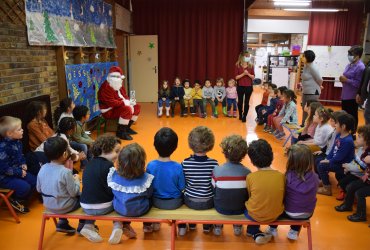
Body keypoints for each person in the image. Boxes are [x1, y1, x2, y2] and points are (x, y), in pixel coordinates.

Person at [80, 135, 136, 244]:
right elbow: (114, 189)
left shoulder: (88, 165)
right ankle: (118, 225)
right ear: (105, 150)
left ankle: (88, 225)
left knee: (94, 195)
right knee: (119, 199)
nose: (119, 154)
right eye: (116, 151)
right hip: (104, 207)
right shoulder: (109, 167)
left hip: (85, 205)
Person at [266, 144, 319, 241]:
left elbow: (281, 195)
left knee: (277, 205)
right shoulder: (315, 177)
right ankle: (294, 231)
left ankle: (272, 228)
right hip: (307, 213)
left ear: (291, 161)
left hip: (289, 212)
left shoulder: (288, 176)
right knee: (300, 204)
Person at [36, 137, 83, 234]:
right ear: (65, 154)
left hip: (49, 205)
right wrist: (77, 180)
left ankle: (62, 223)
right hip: (64, 207)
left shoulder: (43, 168)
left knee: (60, 194)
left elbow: (38, 189)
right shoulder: (65, 172)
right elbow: (74, 193)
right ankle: (82, 226)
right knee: (85, 197)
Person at [179, 126, 218, 236]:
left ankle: (190, 224)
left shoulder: (185, 163)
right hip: (209, 202)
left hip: (190, 201)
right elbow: (214, 185)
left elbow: (184, 185)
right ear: (210, 144)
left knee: (181, 193)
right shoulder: (214, 164)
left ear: (191, 144)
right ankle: (206, 226)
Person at [245, 139, 285, 244]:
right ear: (271, 156)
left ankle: (252, 231)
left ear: (252, 161)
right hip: (276, 214)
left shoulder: (250, 177)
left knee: (249, 207)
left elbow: (250, 196)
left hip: (254, 215)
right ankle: (272, 228)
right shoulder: (281, 176)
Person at [146, 128, 185, 232]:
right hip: (175, 203)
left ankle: (150, 224)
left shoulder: (150, 165)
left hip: (156, 201)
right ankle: (182, 227)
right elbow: (182, 187)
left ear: (155, 145)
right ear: (175, 147)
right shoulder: (178, 167)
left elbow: (148, 186)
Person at [107, 143, 154, 231]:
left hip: (119, 208)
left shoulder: (114, 176)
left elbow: (113, 192)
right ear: (141, 162)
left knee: (123, 199)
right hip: (140, 210)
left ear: (120, 161)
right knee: (151, 199)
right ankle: (147, 225)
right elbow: (149, 194)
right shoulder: (146, 179)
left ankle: (124, 224)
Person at [212, 135, 250, 236]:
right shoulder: (247, 172)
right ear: (243, 155)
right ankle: (237, 226)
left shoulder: (217, 170)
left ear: (225, 153)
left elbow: (213, 189)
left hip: (221, 208)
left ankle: (218, 226)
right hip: (240, 208)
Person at [0, 116, 36, 213]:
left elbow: (21, 156)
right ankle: (15, 201)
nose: (22, 130)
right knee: (25, 187)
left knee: (35, 181)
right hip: (4, 177)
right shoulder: (3, 148)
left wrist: (23, 163)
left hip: (17, 172)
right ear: (9, 133)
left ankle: (21, 199)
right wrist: (18, 172)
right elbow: (3, 168)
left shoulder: (18, 142)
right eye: (19, 129)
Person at [335, 126, 370, 222]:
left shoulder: (368, 153)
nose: (356, 138)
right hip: (366, 179)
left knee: (359, 193)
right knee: (351, 186)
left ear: (366, 139)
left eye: (359, 137)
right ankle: (347, 205)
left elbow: (362, 167)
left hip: (365, 179)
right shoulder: (363, 150)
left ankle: (361, 215)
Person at [316, 113, 355, 196]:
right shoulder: (338, 135)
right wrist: (327, 158)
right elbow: (333, 149)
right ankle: (323, 181)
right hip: (336, 161)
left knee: (321, 165)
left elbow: (340, 157)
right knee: (319, 161)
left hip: (343, 166)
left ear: (343, 126)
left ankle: (327, 188)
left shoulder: (348, 141)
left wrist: (328, 161)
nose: (335, 125)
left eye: (337, 123)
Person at [98, 66, 140, 141]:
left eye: (119, 78)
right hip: (109, 110)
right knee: (127, 109)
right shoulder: (106, 87)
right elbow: (111, 103)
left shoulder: (119, 85)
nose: (119, 80)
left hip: (118, 106)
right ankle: (120, 132)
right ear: (110, 77)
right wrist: (125, 103)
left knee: (137, 106)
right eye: (116, 78)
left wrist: (130, 102)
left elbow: (125, 96)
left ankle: (127, 128)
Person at [339, 45, 365, 131]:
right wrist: (343, 80)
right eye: (349, 54)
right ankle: (345, 130)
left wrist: (346, 80)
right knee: (345, 115)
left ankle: (353, 132)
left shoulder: (361, 67)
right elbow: (346, 77)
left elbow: (359, 83)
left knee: (352, 116)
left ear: (358, 56)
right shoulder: (349, 64)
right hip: (345, 94)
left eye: (351, 54)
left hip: (352, 96)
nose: (349, 56)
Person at [300, 50, 323, 125]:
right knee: (305, 109)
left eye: (303, 56)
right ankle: (304, 125)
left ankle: (309, 128)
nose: (302, 57)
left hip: (313, 92)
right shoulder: (306, 66)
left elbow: (320, 79)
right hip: (306, 91)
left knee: (311, 111)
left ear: (308, 57)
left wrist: (319, 85)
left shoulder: (313, 67)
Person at [235, 51, 255, 122]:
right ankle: (240, 114)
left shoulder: (251, 66)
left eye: (248, 56)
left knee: (247, 102)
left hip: (249, 87)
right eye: (247, 56)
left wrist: (248, 74)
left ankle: (245, 116)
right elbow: (236, 77)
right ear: (242, 57)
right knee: (240, 102)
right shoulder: (237, 65)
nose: (248, 57)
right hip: (240, 86)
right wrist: (243, 74)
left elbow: (253, 77)